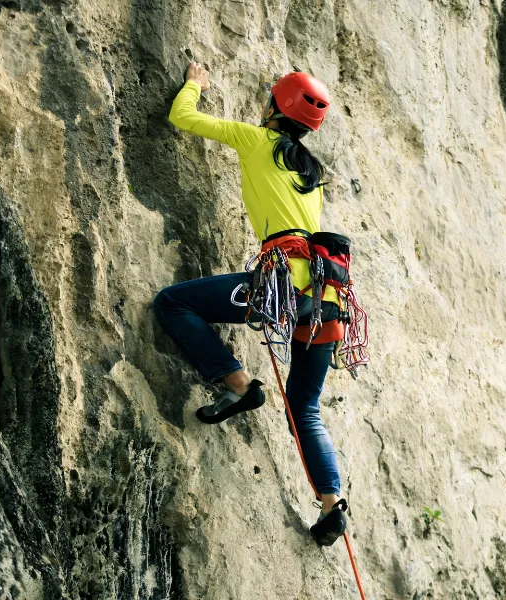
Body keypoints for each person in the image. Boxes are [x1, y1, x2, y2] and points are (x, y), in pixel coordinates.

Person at [153, 61, 347, 546]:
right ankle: (331, 506)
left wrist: (195, 81)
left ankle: (239, 385)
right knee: (305, 406)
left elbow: (184, 117)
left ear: (276, 107)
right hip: (325, 297)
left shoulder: (258, 140)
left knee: (173, 304)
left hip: (280, 287)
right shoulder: (312, 171)